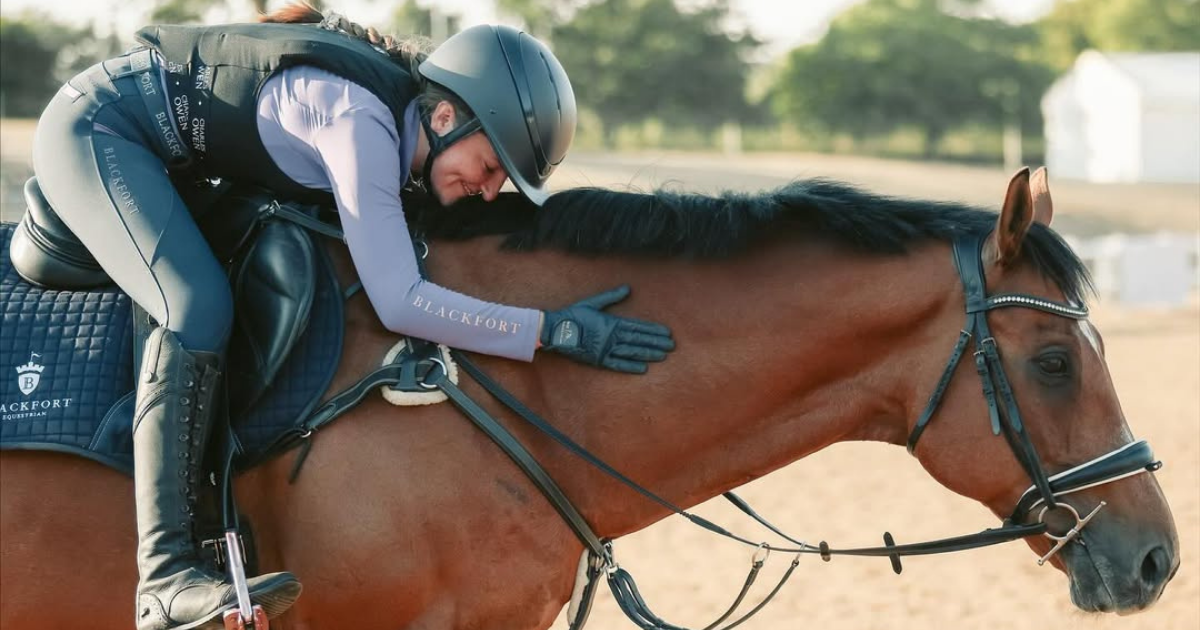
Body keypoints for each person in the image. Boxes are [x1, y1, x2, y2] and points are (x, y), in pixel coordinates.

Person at [30, 3, 675, 628]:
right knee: (195, 306)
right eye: (488, 166)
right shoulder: (361, 126)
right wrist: (549, 329)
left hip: (172, 155)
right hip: (99, 131)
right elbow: (401, 302)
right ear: (444, 115)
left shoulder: (402, 126)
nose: (490, 190)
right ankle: (165, 579)